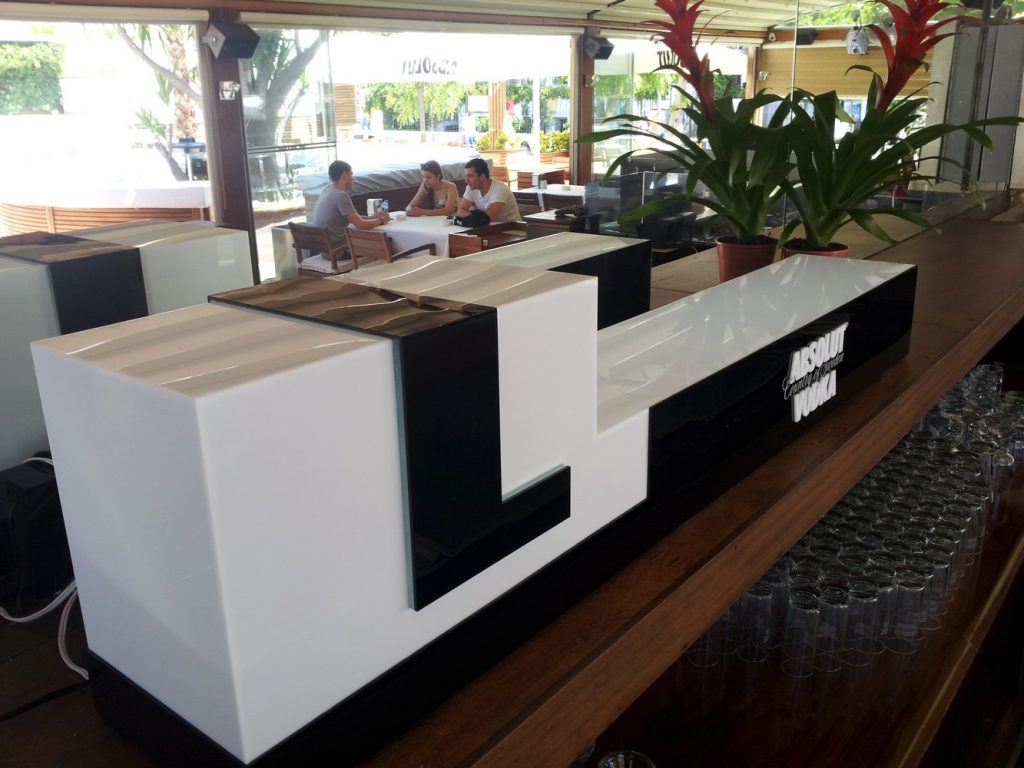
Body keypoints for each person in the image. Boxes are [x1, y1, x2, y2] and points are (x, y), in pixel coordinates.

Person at [311, 160, 390, 242]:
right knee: (383, 241)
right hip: (339, 247)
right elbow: (361, 225)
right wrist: (382, 220)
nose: (353, 178)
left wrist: (373, 217)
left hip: (324, 246)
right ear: (344, 176)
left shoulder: (326, 191)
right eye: (351, 174)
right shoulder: (341, 196)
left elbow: (354, 219)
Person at [456, 158, 521, 224]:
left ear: (482, 177)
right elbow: (460, 212)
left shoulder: (499, 189)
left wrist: (473, 213)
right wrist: (478, 214)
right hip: (490, 227)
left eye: (470, 176)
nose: (466, 180)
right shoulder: (470, 188)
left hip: (512, 228)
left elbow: (488, 219)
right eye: (466, 176)